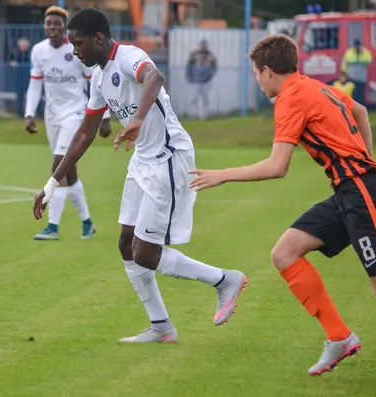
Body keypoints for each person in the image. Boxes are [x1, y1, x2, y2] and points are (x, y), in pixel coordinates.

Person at [189, 34, 376, 375]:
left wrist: (223, 174)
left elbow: (277, 166)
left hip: (363, 193)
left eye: (256, 73)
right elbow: (359, 111)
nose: (256, 80)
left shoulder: (289, 99)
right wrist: (365, 160)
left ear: (268, 70)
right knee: (285, 252)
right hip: (350, 191)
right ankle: (339, 337)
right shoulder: (318, 86)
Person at [33, 8, 247, 342]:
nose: (75, 51)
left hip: (169, 156)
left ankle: (224, 280)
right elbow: (84, 135)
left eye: (79, 44)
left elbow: (154, 78)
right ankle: (161, 327)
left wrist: (137, 119)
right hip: (142, 161)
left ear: (99, 38)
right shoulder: (100, 78)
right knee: (125, 244)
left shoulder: (130, 56)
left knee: (145, 252)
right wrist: (50, 184)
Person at [26, 6, 113, 241]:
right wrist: (29, 113)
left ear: (65, 26)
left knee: (58, 164)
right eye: (48, 23)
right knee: (69, 171)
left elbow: (96, 83)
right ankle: (87, 223)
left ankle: (52, 226)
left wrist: (104, 117)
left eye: (57, 23)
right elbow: (35, 85)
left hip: (75, 114)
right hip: (52, 116)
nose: (52, 27)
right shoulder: (38, 51)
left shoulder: (77, 50)